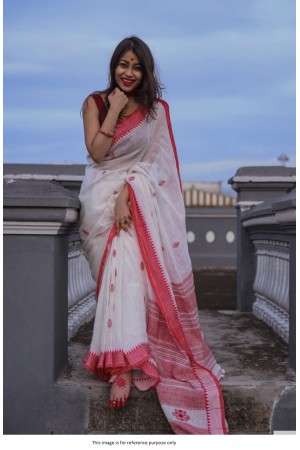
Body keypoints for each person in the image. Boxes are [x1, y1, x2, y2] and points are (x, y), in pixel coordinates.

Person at [79, 36, 228, 435]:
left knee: (129, 272)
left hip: (130, 201)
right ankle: (121, 357)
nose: (128, 72)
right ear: (113, 67)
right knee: (112, 278)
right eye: (122, 65)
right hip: (97, 201)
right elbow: (96, 153)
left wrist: (128, 193)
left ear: (146, 71)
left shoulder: (155, 113)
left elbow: (151, 167)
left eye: (136, 66)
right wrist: (112, 109)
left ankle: (126, 364)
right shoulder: (94, 102)